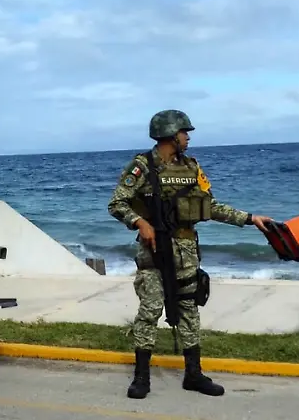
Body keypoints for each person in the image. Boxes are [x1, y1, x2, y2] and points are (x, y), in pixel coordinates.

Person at [107, 109, 274, 399]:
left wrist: (250, 219)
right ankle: (141, 378)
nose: (188, 138)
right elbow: (117, 203)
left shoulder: (192, 167)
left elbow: (211, 206)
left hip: (186, 252)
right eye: (185, 133)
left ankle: (194, 375)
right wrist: (139, 221)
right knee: (150, 311)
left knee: (189, 311)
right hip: (154, 251)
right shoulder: (142, 166)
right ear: (172, 135)